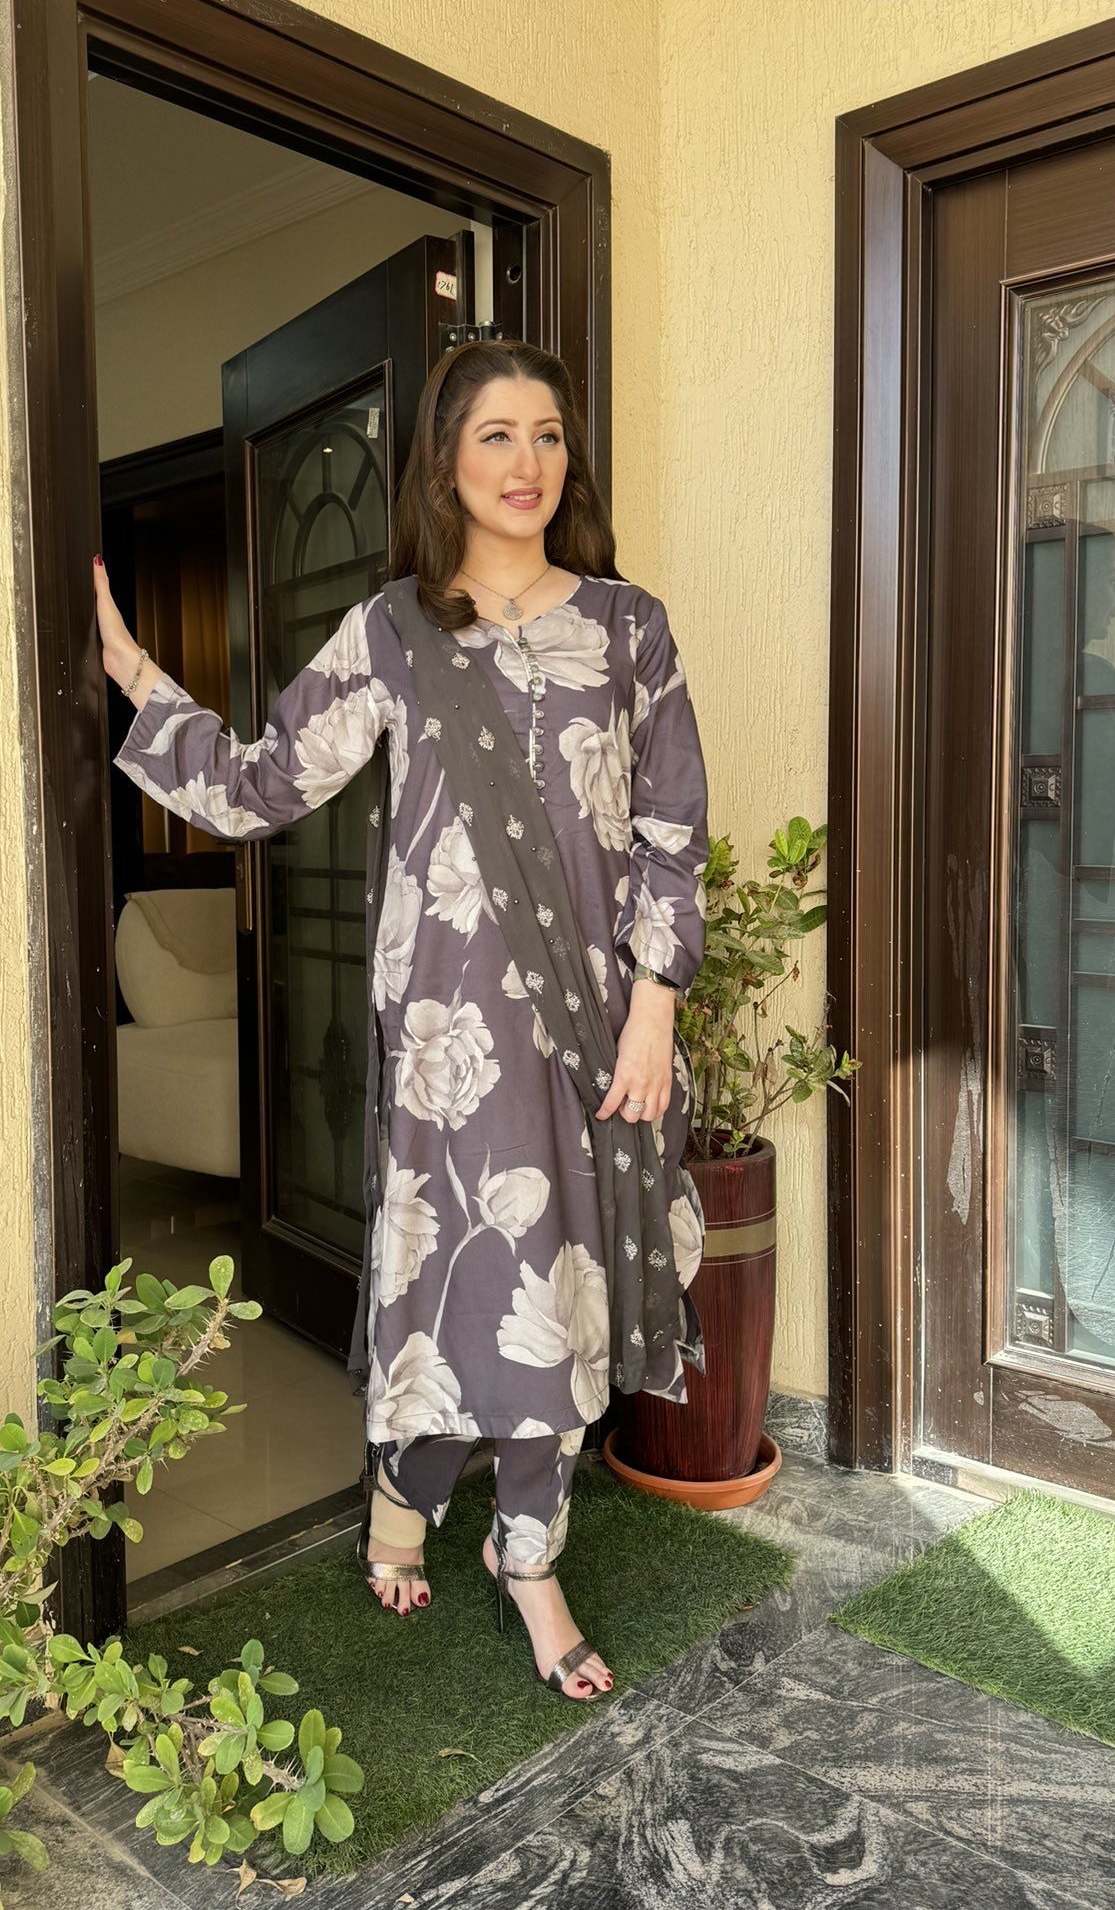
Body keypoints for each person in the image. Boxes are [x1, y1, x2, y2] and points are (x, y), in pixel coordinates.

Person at [94, 339, 711, 1701]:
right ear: (445, 461)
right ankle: (409, 1486)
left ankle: (527, 1556)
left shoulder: (630, 629)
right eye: (496, 435)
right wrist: (136, 674)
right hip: (451, 1036)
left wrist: (656, 1008)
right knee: (465, 1279)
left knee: (568, 1289)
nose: (526, 463)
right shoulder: (393, 633)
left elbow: (673, 829)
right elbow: (260, 785)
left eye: (547, 435)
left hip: (598, 1028)